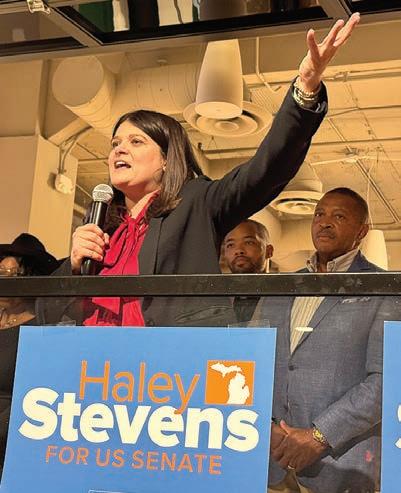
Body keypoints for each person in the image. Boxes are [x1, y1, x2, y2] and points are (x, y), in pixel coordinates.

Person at [39, 14, 360, 328]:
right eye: (115, 143)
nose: (119, 150)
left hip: (167, 361)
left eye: (136, 141)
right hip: (93, 359)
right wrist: (74, 264)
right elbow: (42, 312)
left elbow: (265, 170)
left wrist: (306, 88)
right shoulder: (102, 225)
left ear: (167, 159)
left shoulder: (195, 203)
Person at [253, 187, 393, 493]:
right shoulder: (280, 286)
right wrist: (267, 426)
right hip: (270, 459)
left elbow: (386, 380)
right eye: (319, 214)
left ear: (362, 231)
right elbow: (252, 362)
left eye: (339, 216)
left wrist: (319, 436)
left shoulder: (384, 289)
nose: (325, 222)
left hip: (338, 466)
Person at [0, 234, 59, 475]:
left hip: (12, 434)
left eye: (12, 275)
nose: (4, 281)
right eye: (0, 273)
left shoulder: (41, 329)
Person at [222, 219, 273, 323]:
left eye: (249, 242)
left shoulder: (285, 296)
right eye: (230, 245)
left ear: (269, 251)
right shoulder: (216, 299)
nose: (238, 250)